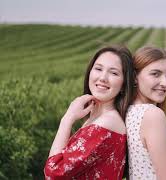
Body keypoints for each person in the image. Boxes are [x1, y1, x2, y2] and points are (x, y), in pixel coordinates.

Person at [44, 45, 134, 179]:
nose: (103, 77)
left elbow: (53, 173)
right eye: (98, 69)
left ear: (123, 85)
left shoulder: (105, 125)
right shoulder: (98, 119)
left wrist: (67, 118)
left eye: (114, 73)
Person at [126, 46, 166, 180]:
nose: (165, 83)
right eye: (155, 74)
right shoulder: (152, 115)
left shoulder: (129, 112)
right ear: (135, 77)